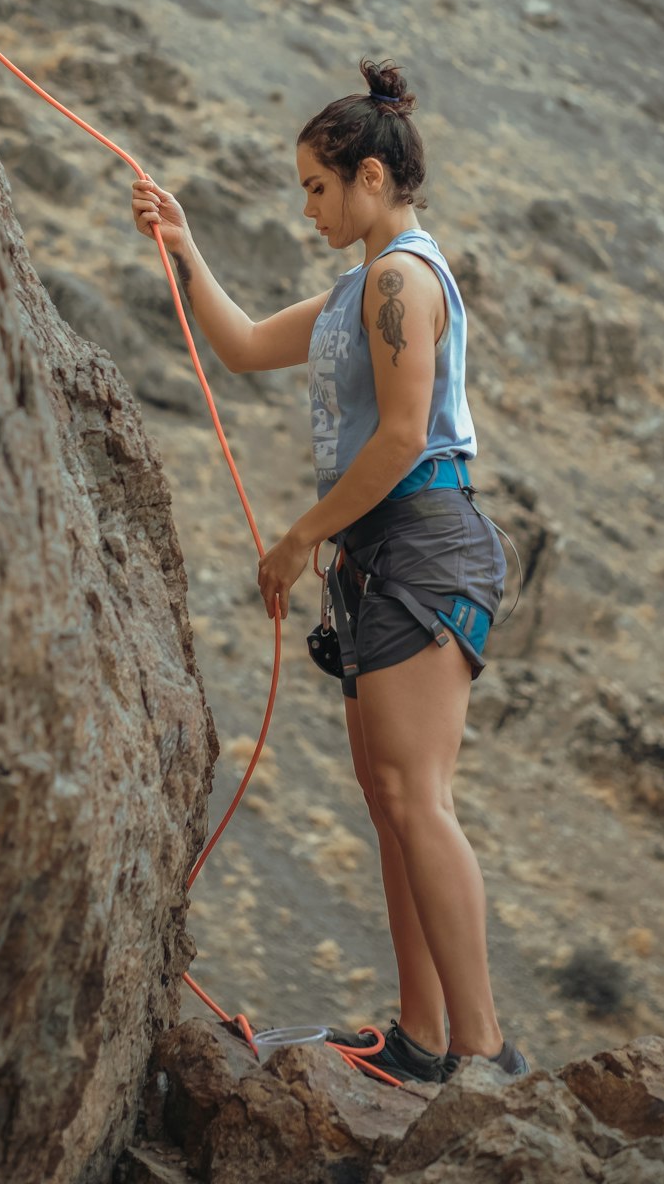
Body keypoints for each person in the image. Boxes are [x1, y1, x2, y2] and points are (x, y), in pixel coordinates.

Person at [132, 57, 528, 1084]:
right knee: (391, 794)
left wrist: (300, 535)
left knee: (413, 792)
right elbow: (247, 345)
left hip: (421, 544)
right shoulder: (365, 282)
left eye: (318, 186)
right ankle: (422, 1034)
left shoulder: (400, 278)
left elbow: (401, 437)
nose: (309, 207)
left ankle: (481, 1052)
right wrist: (182, 246)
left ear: (370, 178)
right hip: (384, 553)